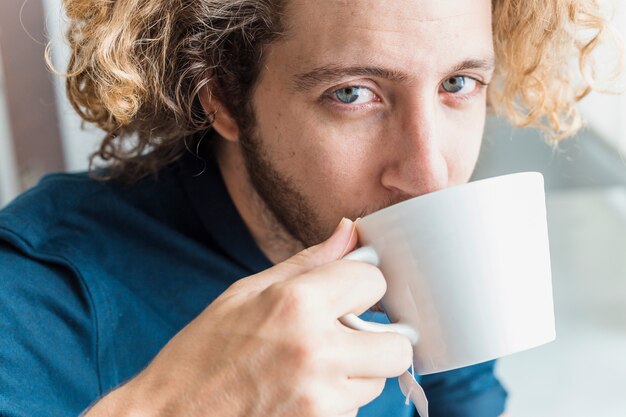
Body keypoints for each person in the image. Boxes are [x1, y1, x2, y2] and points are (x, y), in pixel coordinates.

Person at [0, 0, 619, 416]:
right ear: (223, 97)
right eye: (352, 93)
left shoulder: (426, 242)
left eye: (458, 84)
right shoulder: (38, 296)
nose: (430, 176)